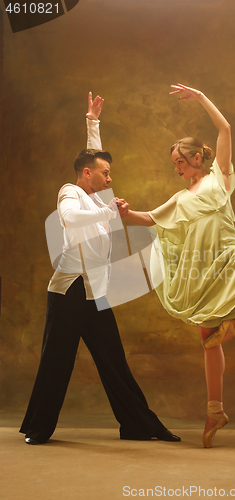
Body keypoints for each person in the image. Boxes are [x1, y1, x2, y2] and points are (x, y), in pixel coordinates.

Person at [116, 83, 235, 448]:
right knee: (208, 342)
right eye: (174, 164)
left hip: (233, 259)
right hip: (203, 273)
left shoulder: (220, 177)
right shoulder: (178, 198)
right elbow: (149, 219)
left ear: (197, 158)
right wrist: (125, 213)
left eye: (180, 161)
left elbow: (225, 130)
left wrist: (201, 98)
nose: (176, 168)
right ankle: (215, 410)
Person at [19, 93, 181, 444]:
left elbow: (94, 159)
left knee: (114, 361)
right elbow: (69, 220)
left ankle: (140, 425)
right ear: (87, 175)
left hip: (96, 291)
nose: (111, 179)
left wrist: (93, 124)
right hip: (69, 291)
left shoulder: (97, 193)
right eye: (105, 174)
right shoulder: (71, 194)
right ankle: (38, 428)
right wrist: (107, 212)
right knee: (56, 360)